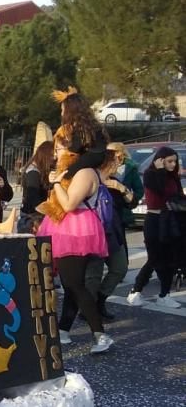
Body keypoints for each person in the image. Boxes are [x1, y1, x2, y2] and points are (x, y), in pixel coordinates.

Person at [37, 133, 112, 353]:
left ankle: (100, 334)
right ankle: (64, 330)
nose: (56, 154)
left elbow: (69, 204)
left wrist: (57, 182)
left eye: (59, 150)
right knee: (72, 284)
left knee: (75, 285)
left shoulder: (84, 173)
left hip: (76, 231)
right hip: (69, 229)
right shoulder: (77, 171)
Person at [126, 147, 184, 309]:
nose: (173, 164)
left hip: (171, 220)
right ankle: (136, 290)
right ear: (160, 160)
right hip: (154, 219)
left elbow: (178, 197)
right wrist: (159, 170)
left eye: (175, 161)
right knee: (154, 258)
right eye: (169, 161)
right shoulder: (151, 174)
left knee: (170, 259)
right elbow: (158, 189)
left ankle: (164, 294)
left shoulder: (174, 178)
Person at [84, 145, 135, 321]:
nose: (119, 164)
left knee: (120, 268)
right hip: (95, 232)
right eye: (116, 160)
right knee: (93, 275)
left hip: (114, 232)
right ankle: (89, 309)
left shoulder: (114, 181)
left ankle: (101, 298)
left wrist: (121, 188)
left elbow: (131, 202)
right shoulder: (91, 179)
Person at [112, 143, 144, 229]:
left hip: (123, 212)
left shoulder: (130, 168)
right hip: (108, 211)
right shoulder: (104, 167)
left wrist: (130, 200)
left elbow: (139, 190)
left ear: (119, 153)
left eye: (110, 152)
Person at [21, 141, 55, 216]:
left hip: (35, 214)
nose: (54, 158)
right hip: (31, 217)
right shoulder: (33, 173)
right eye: (52, 156)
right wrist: (51, 213)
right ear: (45, 155)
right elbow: (34, 199)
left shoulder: (39, 170)